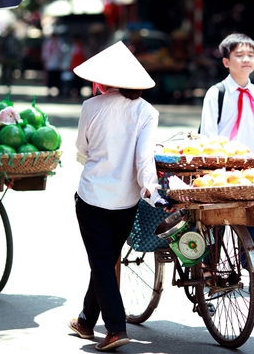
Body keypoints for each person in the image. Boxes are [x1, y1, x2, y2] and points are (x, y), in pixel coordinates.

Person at [68, 41, 172, 352]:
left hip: (92, 197)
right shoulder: (146, 112)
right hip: (126, 202)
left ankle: (115, 329)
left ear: (102, 79)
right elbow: (144, 161)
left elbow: (82, 150)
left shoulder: (91, 107)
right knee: (105, 260)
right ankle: (86, 321)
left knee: (101, 262)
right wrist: (151, 190)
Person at [199, 33, 254, 295]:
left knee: (251, 218)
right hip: (220, 166)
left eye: (250, 55)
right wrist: (215, 166)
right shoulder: (217, 93)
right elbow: (208, 134)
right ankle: (209, 266)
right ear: (226, 62)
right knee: (216, 219)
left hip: (251, 167)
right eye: (239, 55)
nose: (246, 60)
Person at [41, 31, 65, 96]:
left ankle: (58, 91)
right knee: (50, 79)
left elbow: (62, 53)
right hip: (50, 64)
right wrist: (44, 61)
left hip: (57, 64)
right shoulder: (48, 43)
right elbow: (45, 53)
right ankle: (49, 91)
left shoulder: (59, 43)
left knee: (57, 79)